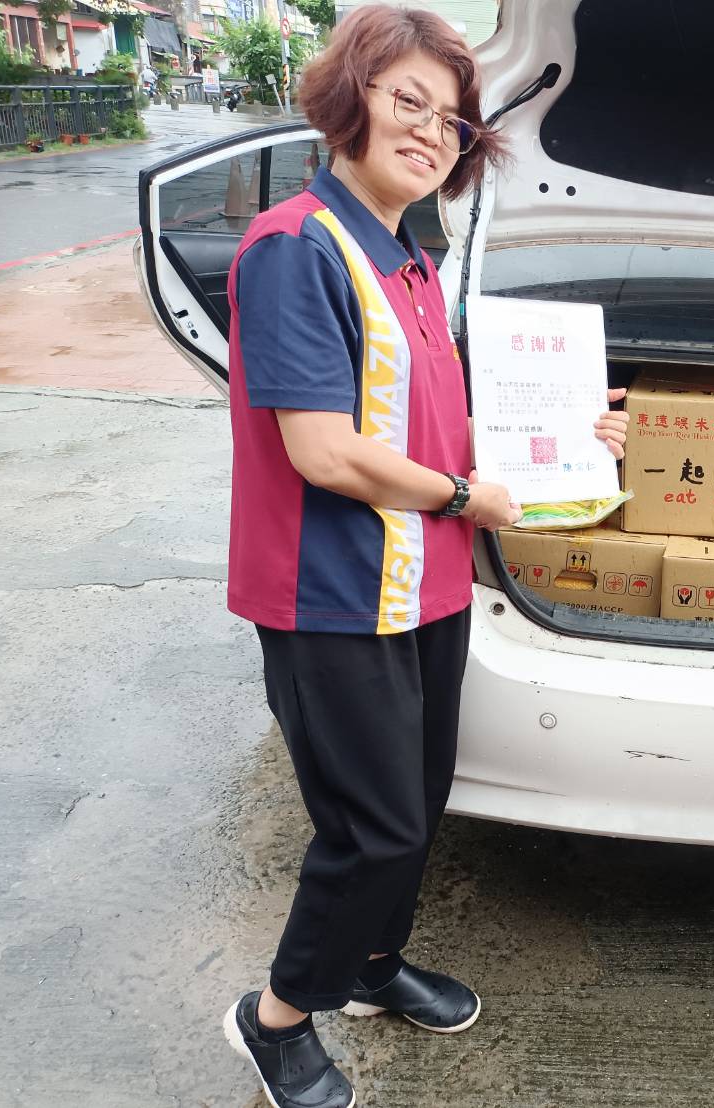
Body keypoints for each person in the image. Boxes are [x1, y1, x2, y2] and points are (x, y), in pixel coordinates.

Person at [217, 8, 630, 1106]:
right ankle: (279, 1014)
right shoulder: (293, 248)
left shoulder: (407, 260)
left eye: (451, 120)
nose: (432, 132)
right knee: (373, 824)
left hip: (427, 581)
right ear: (348, 99)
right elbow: (322, 451)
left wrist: (568, 438)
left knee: (421, 797)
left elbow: (435, 428)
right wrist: (465, 496)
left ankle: (368, 965)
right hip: (330, 591)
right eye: (409, 101)